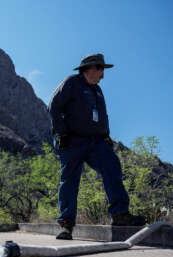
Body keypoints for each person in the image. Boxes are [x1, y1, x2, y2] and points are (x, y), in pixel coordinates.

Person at [48, 53, 146, 240]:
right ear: (90, 68)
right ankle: (66, 225)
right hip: (71, 141)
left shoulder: (98, 91)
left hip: (95, 141)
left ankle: (120, 215)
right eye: (101, 69)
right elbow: (53, 106)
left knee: (112, 166)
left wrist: (106, 136)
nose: (102, 74)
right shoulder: (71, 83)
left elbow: (102, 116)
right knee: (69, 179)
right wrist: (61, 133)